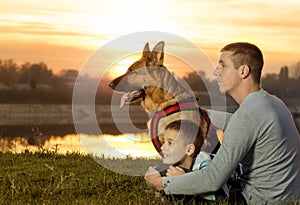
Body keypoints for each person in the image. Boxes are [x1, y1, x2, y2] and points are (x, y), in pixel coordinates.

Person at [144, 42, 300, 204]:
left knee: (169, 174)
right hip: (287, 195)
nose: (215, 71)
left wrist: (163, 183)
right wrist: (198, 111)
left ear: (243, 71)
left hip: (258, 200)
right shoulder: (272, 103)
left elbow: (213, 180)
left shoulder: (246, 116)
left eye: (222, 65)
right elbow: (235, 122)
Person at [153, 120, 226, 203]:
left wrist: (185, 179)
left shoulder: (205, 164)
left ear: (189, 149)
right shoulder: (170, 168)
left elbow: (218, 197)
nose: (162, 147)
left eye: (170, 143)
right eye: (163, 142)